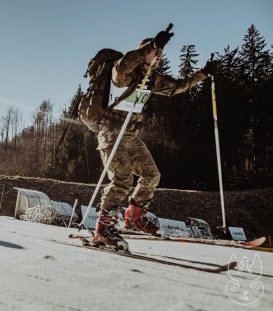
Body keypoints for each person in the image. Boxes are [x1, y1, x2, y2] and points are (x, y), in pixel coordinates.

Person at [88, 29, 220, 249]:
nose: (158, 56)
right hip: (111, 131)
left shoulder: (152, 78)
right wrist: (149, 48)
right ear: (144, 52)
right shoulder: (123, 72)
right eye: (155, 53)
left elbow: (177, 87)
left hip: (129, 133)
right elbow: (124, 65)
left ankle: (134, 215)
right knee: (122, 178)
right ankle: (103, 229)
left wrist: (204, 73)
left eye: (160, 53)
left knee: (151, 175)